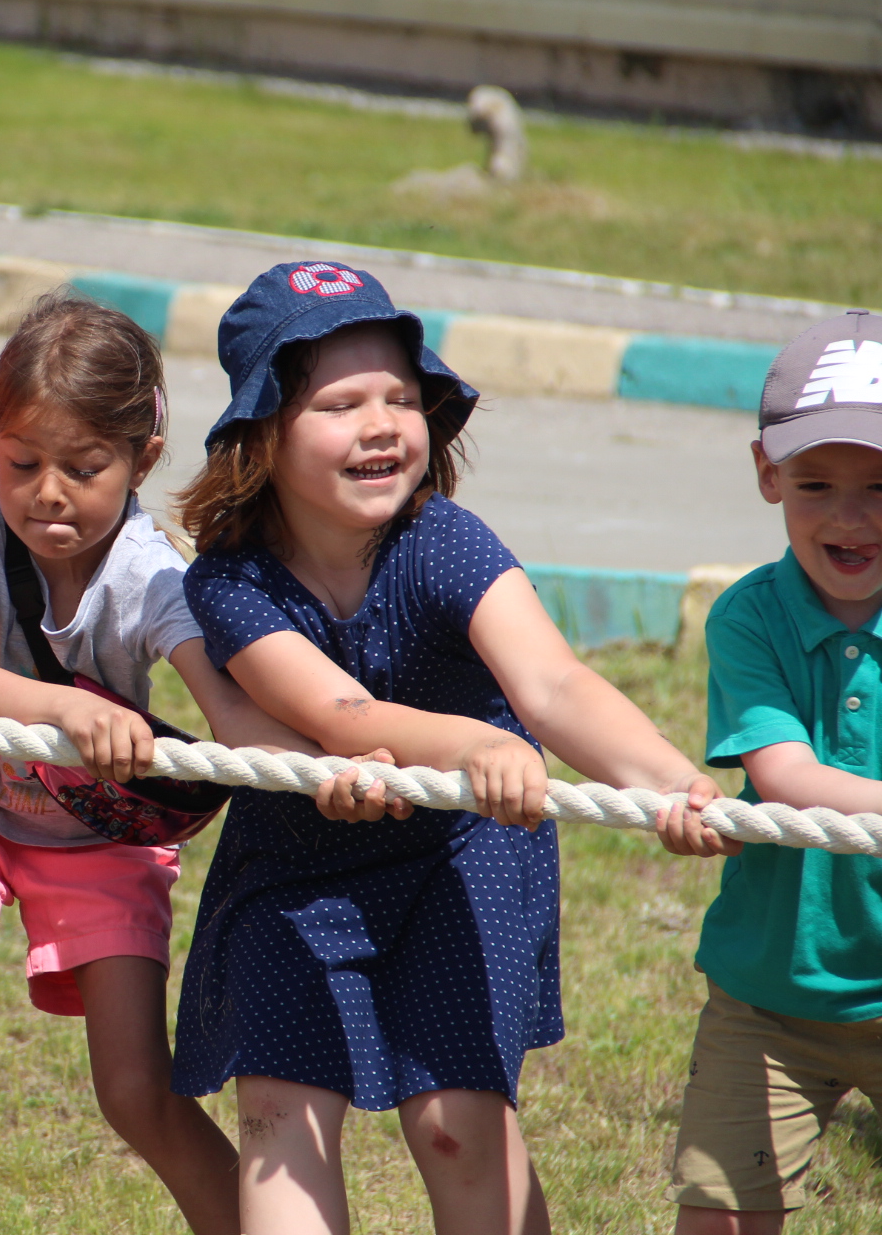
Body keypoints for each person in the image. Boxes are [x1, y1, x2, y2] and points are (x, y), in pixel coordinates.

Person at [169, 262, 726, 1235]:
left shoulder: (449, 542)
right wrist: (474, 741)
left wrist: (674, 781)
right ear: (264, 436)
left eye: (399, 396)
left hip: (460, 851)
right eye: (340, 403)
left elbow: (552, 686)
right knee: (278, 1115)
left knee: (457, 1124)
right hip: (296, 864)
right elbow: (338, 713)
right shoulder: (231, 582)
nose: (381, 422)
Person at [0, 294, 313, 1235]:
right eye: (21, 462)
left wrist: (333, 766)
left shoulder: (152, 571)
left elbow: (227, 712)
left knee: (136, 1090)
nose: (46, 493)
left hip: (98, 834)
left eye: (83, 467)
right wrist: (71, 707)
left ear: (142, 460)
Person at [653, 311, 882, 1234]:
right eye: (816, 482)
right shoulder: (748, 619)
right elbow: (785, 776)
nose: (849, 514)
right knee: (720, 1217)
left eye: (880, 485)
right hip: (770, 1000)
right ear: (766, 474)